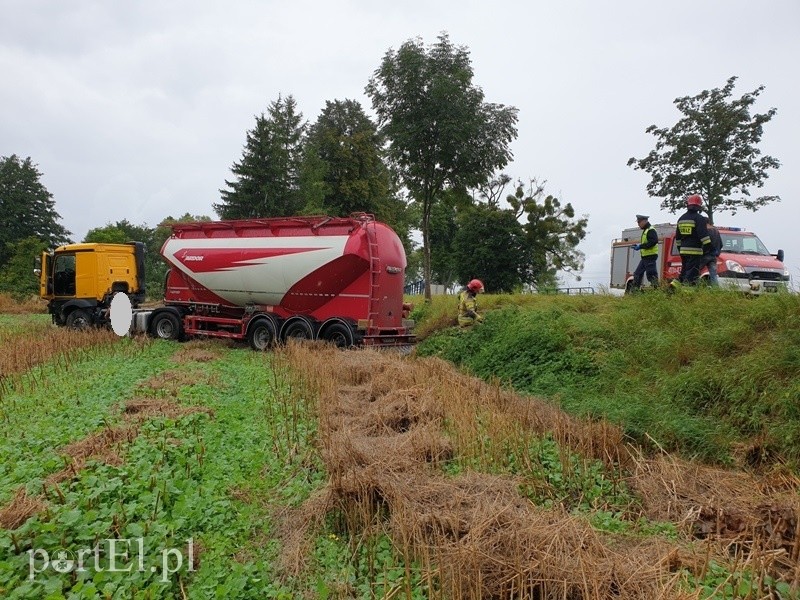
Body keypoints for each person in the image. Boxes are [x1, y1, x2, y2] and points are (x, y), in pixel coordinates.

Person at [675, 194, 712, 285]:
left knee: (684, 270)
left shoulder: (681, 219)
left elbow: (678, 237)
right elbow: (704, 237)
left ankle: (675, 285)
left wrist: (680, 249)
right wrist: (709, 248)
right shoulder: (699, 219)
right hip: (695, 251)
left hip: (683, 251)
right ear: (699, 206)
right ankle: (687, 293)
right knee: (692, 274)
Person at [631, 214, 659, 290]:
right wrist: (639, 245)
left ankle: (657, 291)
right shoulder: (646, 230)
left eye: (639, 222)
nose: (638, 224)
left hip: (650, 256)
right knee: (637, 274)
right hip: (645, 257)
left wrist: (640, 246)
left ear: (644, 221)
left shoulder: (650, 230)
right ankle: (635, 293)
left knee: (651, 275)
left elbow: (653, 241)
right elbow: (648, 242)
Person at [702, 217, 722, 286]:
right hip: (714, 256)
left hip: (704, 255)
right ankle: (715, 289)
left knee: (695, 271)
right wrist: (717, 252)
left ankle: (693, 286)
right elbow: (721, 244)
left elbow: (704, 243)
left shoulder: (705, 231)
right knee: (713, 274)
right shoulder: (716, 231)